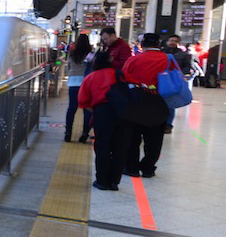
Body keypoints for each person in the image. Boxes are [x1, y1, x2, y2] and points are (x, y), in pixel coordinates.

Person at [123, 33, 173, 178]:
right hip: (160, 102)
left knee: (133, 138)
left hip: (136, 102)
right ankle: (148, 168)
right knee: (155, 140)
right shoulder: (168, 59)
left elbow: (124, 77)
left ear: (142, 45)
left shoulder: (134, 59)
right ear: (159, 44)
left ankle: (131, 168)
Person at [78, 50, 128, 191]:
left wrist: (97, 111)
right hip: (124, 114)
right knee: (120, 148)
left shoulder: (91, 77)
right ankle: (114, 182)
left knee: (102, 147)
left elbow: (83, 101)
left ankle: (102, 181)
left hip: (102, 113)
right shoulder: (122, 75)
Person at [64, 34, 93, 142]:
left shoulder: (72, 54)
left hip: (73, 83)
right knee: (87, 109)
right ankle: (84, 134)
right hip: (86, 83)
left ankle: (68, 133)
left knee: (72, 108)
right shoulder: (90, 55)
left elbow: (69, 67)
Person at [162, 34, 192, 133]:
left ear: (178, 43)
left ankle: (168, 125)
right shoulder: (161, 53)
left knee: (171, 103)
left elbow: (187, 67)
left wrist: (181, 75)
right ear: (167, 41)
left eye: (175, 41)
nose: (172, 42)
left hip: (174, 82)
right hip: (162, 81)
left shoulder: (183, 54)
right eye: (171, 40)